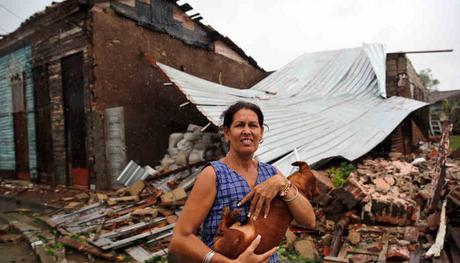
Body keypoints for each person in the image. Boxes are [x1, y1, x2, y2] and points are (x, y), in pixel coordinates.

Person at [168, 101, 316, 263]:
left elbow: (309, 220)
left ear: (261, 132)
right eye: (239, 125)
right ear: (226, 133)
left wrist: (283, 184)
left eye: (253, 125)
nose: (247, 131)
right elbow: (181, 238)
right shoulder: (214, 174)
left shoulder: (272, 173)